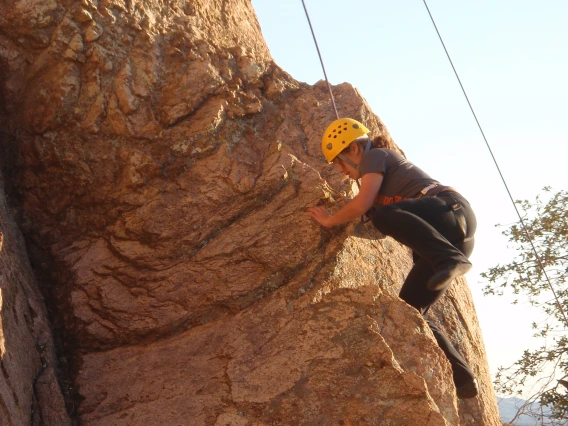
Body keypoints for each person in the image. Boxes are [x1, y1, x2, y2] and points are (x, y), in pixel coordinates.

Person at [306, 118, 479, 399]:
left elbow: (363, 203)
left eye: (339, 162)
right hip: (452, 236)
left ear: (353, 149)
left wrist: (330, 221)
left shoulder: (375, 155)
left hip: (449, 210)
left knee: (384, 215)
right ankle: (464, 379)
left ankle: (450, 260)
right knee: (411, 309)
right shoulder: (381, 182)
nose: (340, 171)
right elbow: (374, 214)